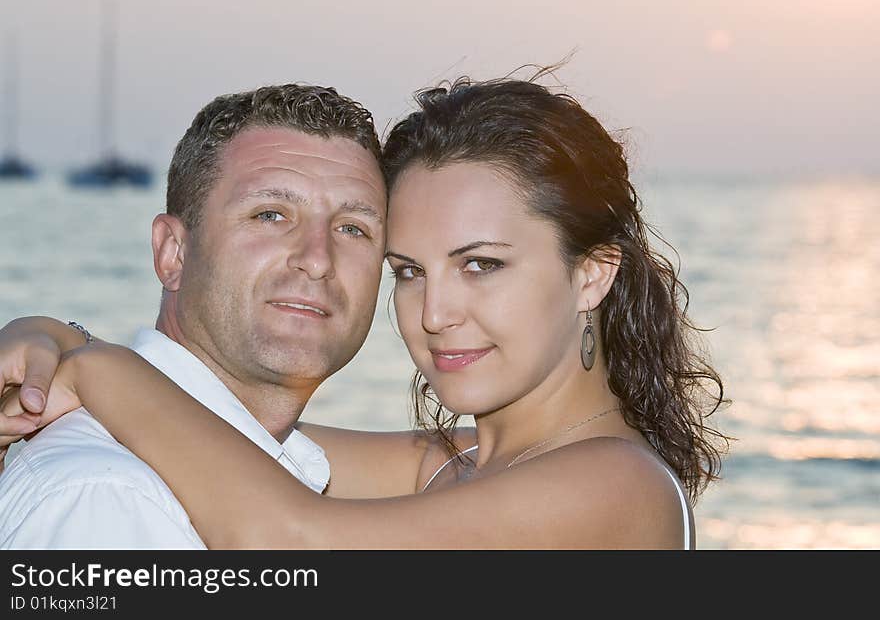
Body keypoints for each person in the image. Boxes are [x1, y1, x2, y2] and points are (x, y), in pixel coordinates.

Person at [1, 73, 730, 549]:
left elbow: (287, 538)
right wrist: (53, 335)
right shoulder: (456, 471)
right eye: (409, 271)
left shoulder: (614, 488)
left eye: (482, 265)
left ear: (593, 274)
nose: (434, 313)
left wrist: (98, 367)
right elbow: (223, 422)